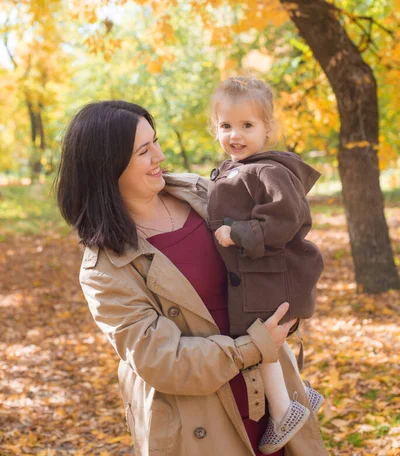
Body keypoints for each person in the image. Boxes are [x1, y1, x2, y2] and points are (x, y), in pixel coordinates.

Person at [56, 100, 328, 456]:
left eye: (155, 142)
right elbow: (161, 360)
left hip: (276, 398)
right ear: (107, 166)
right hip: (198, 420)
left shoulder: (203, 192)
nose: (161, 156)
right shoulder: (105, 268)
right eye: (144, 151)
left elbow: (270, 247)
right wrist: (252, 346)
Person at [207, 76, 325, 454]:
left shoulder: (267, 171)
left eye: (247, 126)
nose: (235, 135)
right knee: (270, 338)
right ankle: (299, 392)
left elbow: (284, 220)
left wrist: (236, 233)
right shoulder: (235, 169)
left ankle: (283, 410)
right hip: (259, 275)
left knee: (261, 342)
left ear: (267, 129)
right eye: (226, 126)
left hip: (269, 275)